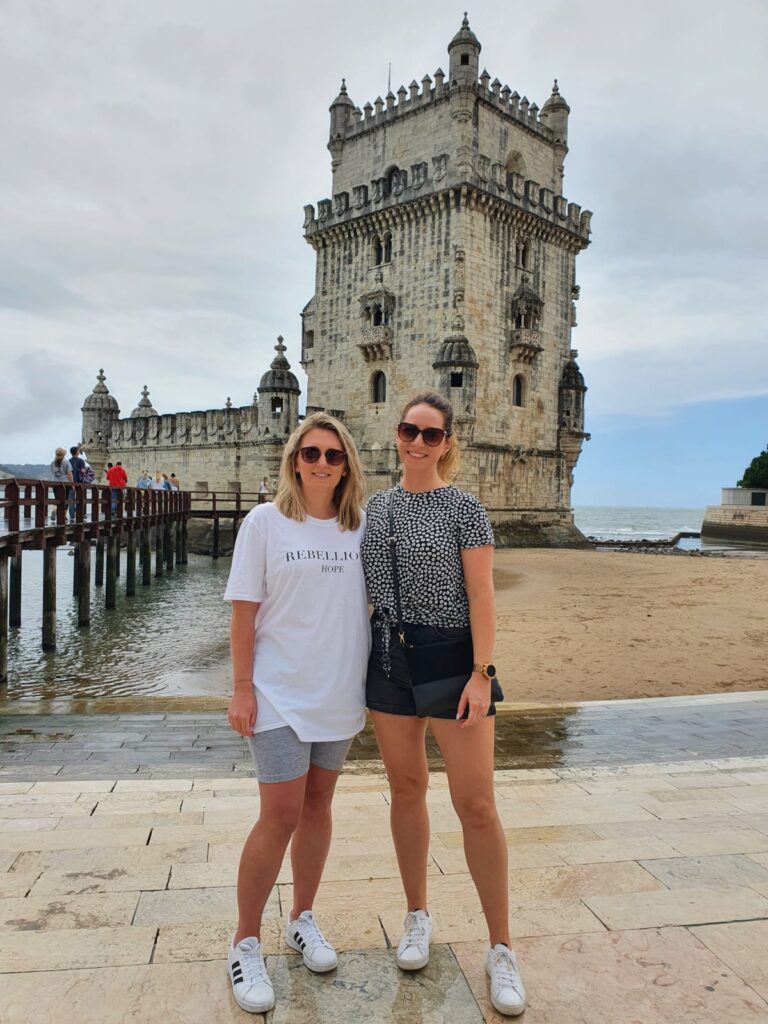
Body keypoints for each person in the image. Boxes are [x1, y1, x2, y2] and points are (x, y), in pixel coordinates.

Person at [360, 390, 527, 1017]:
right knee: (406, 790)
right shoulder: (375, 511)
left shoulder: (465, 508)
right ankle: (416, 916)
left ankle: (501, 947)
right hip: (389, 663)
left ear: (447, 444)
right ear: (397, 436)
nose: (419, 442)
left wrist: (482, 673)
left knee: (477, 804)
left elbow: (482, 595)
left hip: (456, 664)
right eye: (411, 430)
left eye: (433, 434)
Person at [223, 412, 369, 1015]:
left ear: (347, 466)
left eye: (334, 456)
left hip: (339, 690)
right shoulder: (264, 523)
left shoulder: (360, 527)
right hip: (279, 692)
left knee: (317, 808)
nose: (322, 464)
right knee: (278, 814)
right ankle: (245, 941)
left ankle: (301, 917)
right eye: (311, 453)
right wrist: (241, 688)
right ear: (294, 459)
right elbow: (243, 612)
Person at [49, 447, 72, 522]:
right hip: (65, 483)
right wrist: (72, 483)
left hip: (55, 483)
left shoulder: (53, 462)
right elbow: (69, 474)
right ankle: (63, 515)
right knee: (65, 499)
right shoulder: (66, 462)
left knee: (57, 498)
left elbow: (53, 473)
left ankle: (54, 511)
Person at [68, 445, 85, 522]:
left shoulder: (68, 461)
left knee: (71, 499)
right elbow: (83, 471)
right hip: (79, 482)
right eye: (78, 450)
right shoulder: (81, 461)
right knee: (81, 498)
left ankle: (72, 515)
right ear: (77, 452)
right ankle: (81, 514)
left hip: (71, 482)